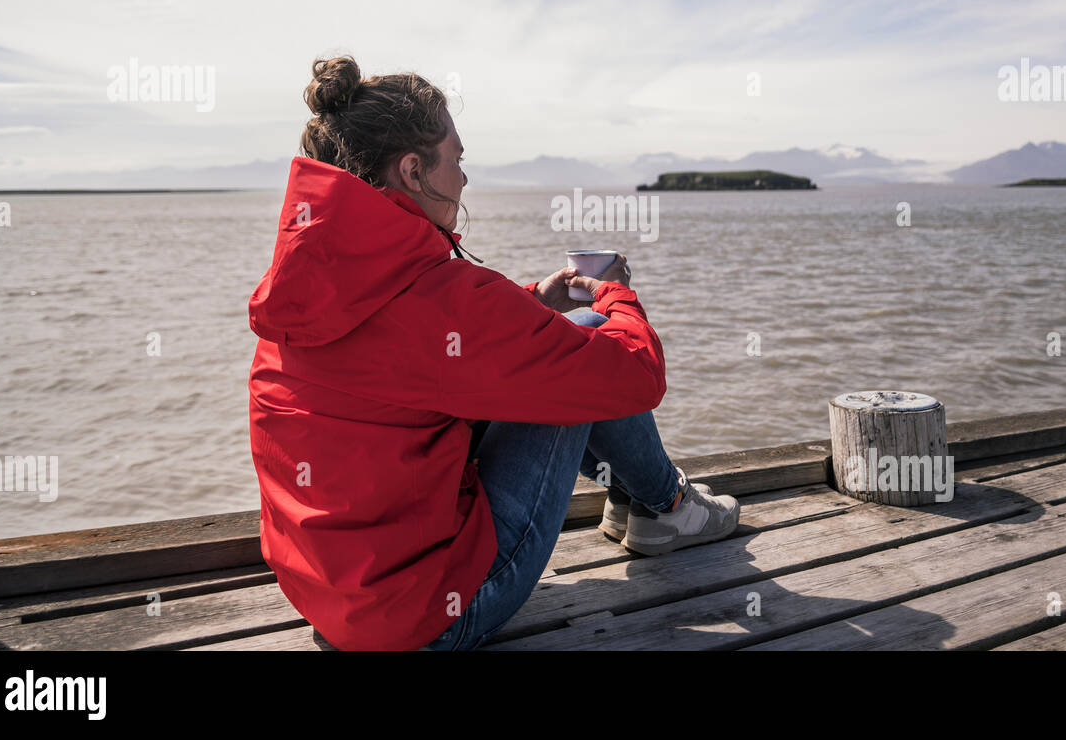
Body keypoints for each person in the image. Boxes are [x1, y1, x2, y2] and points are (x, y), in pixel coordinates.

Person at [247, 55, 740, 652]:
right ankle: (665, 504)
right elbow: (636, 375)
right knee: (587, 341)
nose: (463, 178)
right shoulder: (437, 300)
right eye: (455, 159)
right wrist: (616, 294)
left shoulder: (302, 289)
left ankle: (639, 498)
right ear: (413, 170)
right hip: (435, 620)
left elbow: (417, 347)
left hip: (333, 602)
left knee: (549, 353)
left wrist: (533, 300)